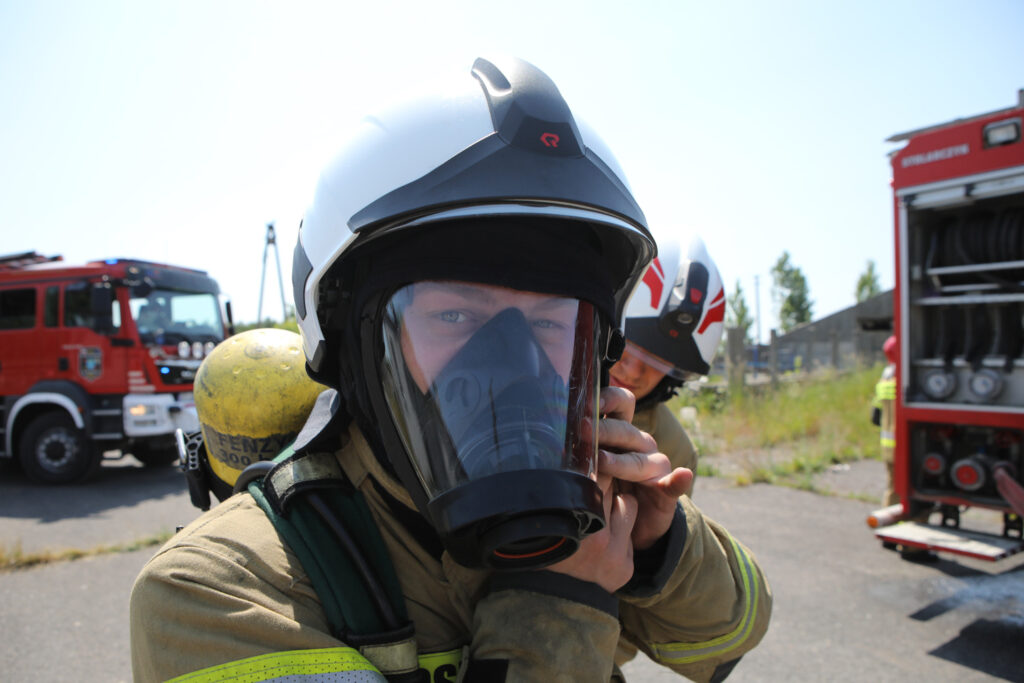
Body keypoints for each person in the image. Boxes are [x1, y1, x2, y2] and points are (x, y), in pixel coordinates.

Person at [130, 56, 771, 682]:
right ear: (353, 344)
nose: (515, 363)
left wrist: (663, 546)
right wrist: (559, 603)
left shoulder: (597, 514)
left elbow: (725, 643)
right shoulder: (215, 594)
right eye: (456, 316)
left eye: (550, 323)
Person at [610, 234, 724, 493]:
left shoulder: (675, 452)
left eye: (658, 362)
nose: (634, 372)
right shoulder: (537, 394)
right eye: (626, 346)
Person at [872, 335, 898, 507]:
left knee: (892, 486)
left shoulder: (884, 379)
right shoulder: (905, 379)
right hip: (905, 446)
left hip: (887, 446)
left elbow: (875, 417)